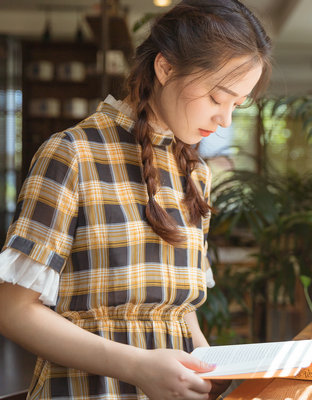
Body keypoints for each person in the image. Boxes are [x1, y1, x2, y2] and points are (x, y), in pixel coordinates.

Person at [0, 0, 271, 398]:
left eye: (237, 105)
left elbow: (180, 311)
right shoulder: (73, 154)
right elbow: (12, 310)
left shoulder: (195, 174)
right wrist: (138, 367)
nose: (225, 119)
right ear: (166, 68)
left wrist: (204, 362)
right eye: (217, 98)